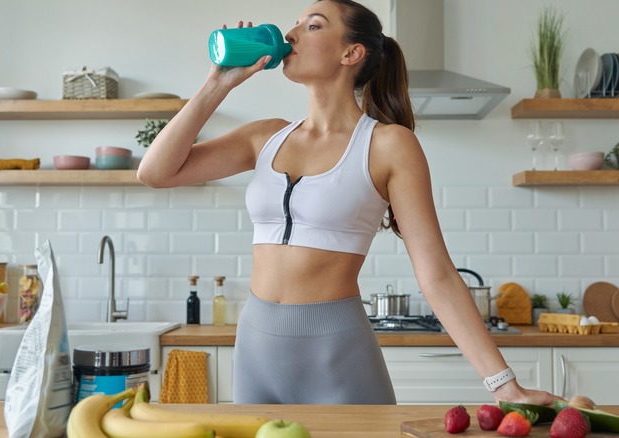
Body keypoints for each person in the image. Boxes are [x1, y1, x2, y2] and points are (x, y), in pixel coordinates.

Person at [138, 0, 559, 406]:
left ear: (351, 52)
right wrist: (218, 82)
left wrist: (503, 384)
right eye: (297, 23)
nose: (291, 33)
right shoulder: (264, 137)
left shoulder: (388, 145)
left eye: (313, 24)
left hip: (336, 352)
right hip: (255, 348)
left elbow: (438, 276)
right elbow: (155, 173)